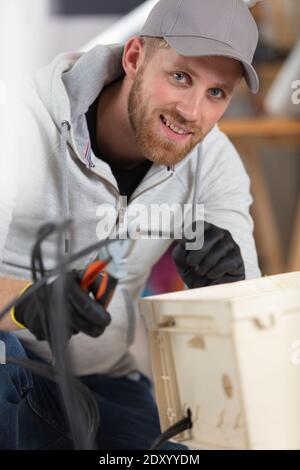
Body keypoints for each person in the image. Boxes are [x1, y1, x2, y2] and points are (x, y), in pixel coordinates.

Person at [0, 0, 261, 450]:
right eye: (180, 77)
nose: (193, 112)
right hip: (13, 366)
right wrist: (28, 301)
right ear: (135, 57)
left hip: (102, 381)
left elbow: (249, 331)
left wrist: (227, 290)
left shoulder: (214, 163)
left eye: (217, 93)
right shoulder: (19, 120)